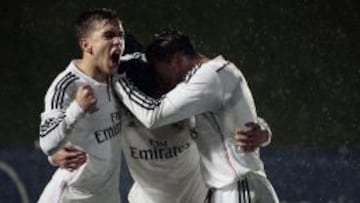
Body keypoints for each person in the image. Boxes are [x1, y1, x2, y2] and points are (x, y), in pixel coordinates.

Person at [113, 30, 279, 203]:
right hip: (223, 190)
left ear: (177, 60)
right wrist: (263, 131)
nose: (166, 82)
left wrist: (118, 78)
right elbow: (233, 117)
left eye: (162, 74)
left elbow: (153, 115)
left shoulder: (207, 78)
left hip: (234, 186)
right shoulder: (216, 76)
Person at [38, 8, 124, 203]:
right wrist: (77, 108)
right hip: (70, 197)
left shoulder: (119, 79)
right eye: (109, 35)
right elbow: (47, 142)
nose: (118, 41)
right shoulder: (66, 86)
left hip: (107, 197)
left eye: (120, 35)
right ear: (87, 45)